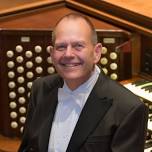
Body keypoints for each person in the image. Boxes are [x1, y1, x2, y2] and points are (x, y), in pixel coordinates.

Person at [18, 13, 148, 152]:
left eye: (78, 46)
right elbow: (27, 147)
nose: (68, 54)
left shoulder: (128, 109)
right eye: (61, 47)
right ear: (52, 54)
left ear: (96, 52)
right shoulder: (41, 88)